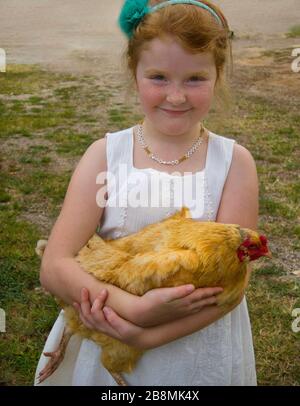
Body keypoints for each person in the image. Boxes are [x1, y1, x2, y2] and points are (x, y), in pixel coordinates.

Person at [35, 0, 259, 386]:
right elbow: (55, 266)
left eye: (194, 79)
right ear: (134, 73)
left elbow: (232, 288)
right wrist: (133, 311)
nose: (176, 96)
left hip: (197, 353)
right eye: (158, 77)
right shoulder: (106, 155)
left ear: (217, 76)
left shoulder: (234, 163)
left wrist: (145, 336)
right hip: (108, 332)